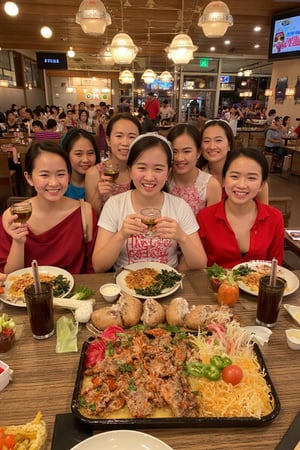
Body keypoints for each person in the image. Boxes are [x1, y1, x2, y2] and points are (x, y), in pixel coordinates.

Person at [92, 133, 207, 273]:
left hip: (167, 284)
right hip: (125, 284)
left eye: (158, 169)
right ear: (130, 170)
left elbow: (200, 263)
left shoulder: (180, 206)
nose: (149, 177)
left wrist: (181, 237)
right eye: (141, 168)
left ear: (168, 173)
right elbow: (98, 266)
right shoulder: (114, 205)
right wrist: (121, 235)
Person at [0, 140, 97, 274]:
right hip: (28, 293)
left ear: (68, 175)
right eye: (44, 175)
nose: (53, 182)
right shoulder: (12, 216)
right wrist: (18, 242)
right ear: (29, 178)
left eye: (61, 174)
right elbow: (8, 276)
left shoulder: (85, 212)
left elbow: (92, 268)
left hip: (76, 292)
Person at [197, 147, 284, 268]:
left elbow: (275, 266)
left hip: (257, 285)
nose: (241, 185)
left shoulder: (275, 218)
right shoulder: (205, 217)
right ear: (223, 179)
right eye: (234, 176)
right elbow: (201, 265)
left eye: (252, 178)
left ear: (261, 185)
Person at [198, 119, 269, 204]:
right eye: (206, 141)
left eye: (218, 140)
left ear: (229, 145)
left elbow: (265, 211)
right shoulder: (197, 175)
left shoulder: (250, 174)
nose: (212, 146)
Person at [85, 113, 142, 215]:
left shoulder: (143, 171)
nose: (125, 143)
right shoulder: (94, 173)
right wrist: (98, 195)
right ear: (108, 140)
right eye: (119, 136)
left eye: (131, 137)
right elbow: (90, 217)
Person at [167, 124, 222, 215]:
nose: (179, 158)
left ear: (199, 152)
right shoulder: (163, 179)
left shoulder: (210, 186)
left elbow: (211, 226)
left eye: (187, 151)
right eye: (174, 151)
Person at [62, 128, 99, 200]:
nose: (85, 160)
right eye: (78, 154)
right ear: (66, 154)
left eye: (90, 153)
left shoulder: (101, 182)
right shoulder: (59, 185)